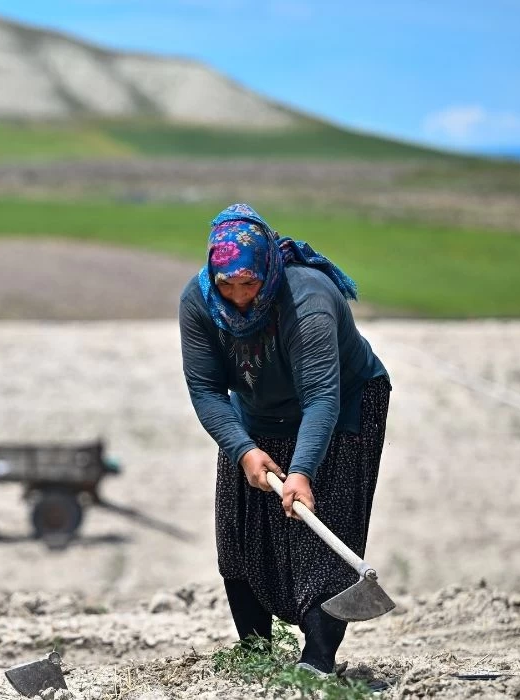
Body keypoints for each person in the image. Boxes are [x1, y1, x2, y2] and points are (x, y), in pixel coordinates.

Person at [178, 203, 391, 677]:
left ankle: (317, 661)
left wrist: (302, 471)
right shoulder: (198, 301)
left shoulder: (307, 299)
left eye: (248, 284)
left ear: (268, 270)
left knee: (319, 529)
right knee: (238, 531)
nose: (238, 297)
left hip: (343, 404)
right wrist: (244, 450)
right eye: (226, 285)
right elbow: (206, 388)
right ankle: (254, 653)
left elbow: (321, 396)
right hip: (253, 410)